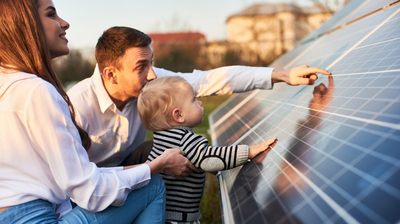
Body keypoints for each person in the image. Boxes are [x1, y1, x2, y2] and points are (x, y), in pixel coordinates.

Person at [0, 0, 194, 223]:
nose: (65, 23)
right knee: (153, 185)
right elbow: (90, 193)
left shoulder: (8, 85)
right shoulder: (37, 91)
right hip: (36, 218)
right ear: (24, 25)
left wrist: (148, 166)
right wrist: (156, 167)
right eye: (51, 14)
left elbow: (76, 180)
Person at [67, 26, 331, 168]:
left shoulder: (152, 82)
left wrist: (281, 74)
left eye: (152, 63)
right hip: (92, 187)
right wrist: (153, 169)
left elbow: (209, 80)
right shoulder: (76, 107)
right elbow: (75, 180)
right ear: (111, 75)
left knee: (174, 148)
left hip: (130, 167)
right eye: (141, 67)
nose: (151, 75)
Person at [137, 76, 278, 223]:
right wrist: (248, 151)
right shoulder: (184, 139)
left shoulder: (162, 137)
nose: (200, 102)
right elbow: (209, 158)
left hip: (163, 214)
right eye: (193, 100)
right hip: (178, 220)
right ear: (179, 115)